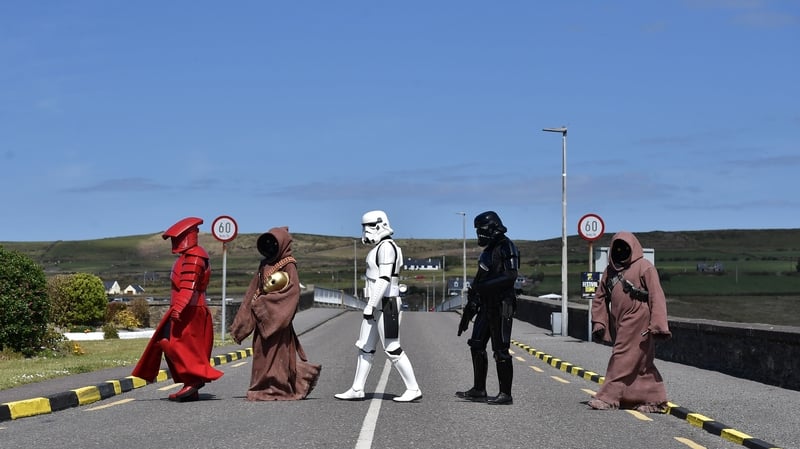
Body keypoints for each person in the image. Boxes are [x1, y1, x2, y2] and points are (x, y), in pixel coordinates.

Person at [132, 217, 223, 402]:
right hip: (187, 308)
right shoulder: (189, 256)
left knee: (177, 345)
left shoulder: (195, 257)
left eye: (179, 237)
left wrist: (179, 308)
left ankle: (193, 381)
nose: (175, 241)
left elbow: (188, 286)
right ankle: (190, 383)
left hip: (190, 310)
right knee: (172, 344)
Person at [335, 210, 422, 402]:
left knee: (392, 347)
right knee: (365, 347)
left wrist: (370, 305)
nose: (365, 231)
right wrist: (371, 305)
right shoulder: (381, 247)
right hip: (377, 304)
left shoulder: (387, 247)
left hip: (387, 304)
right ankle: (357, 388)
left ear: (379, 225)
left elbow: (384, 278)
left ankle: (413, 388)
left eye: (368, 226)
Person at [230, 226, 321, 400]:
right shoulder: (264, 264)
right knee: (261, 354)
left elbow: (292, 292)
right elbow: (253, 292)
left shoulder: (289, 265)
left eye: (274, 242)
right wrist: (243, 322)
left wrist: (265, 304)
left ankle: (278, 388)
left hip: (277, 320)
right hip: (262, 320)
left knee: (278, 355)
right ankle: (261, 387)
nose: (271, 246)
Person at [588, 231, 671, 413]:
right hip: (620, 321)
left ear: (632, 248)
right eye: (617, 248)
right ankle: (653, 398)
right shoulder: (609, 272)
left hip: (639, 319)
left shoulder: (644, 267)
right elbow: (600, 298)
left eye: (624, 248)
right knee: (641, 364)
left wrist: (658, 325)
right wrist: (599, 323)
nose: (620, 251)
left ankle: (607, 397)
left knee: (621, 356)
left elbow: (657, 296)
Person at [456, 211, 519, 405]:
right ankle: (479, 389)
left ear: (492, 228)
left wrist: (483, 287)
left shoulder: (507, 246)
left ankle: (505, 394)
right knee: (476, 344)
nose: (479, 235)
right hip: (485, 305)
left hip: (502, 304)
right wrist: (469, 309)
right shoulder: (487, 251)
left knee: (501, 350)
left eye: (481, 230)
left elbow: (511, 275)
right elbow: (478, 281)